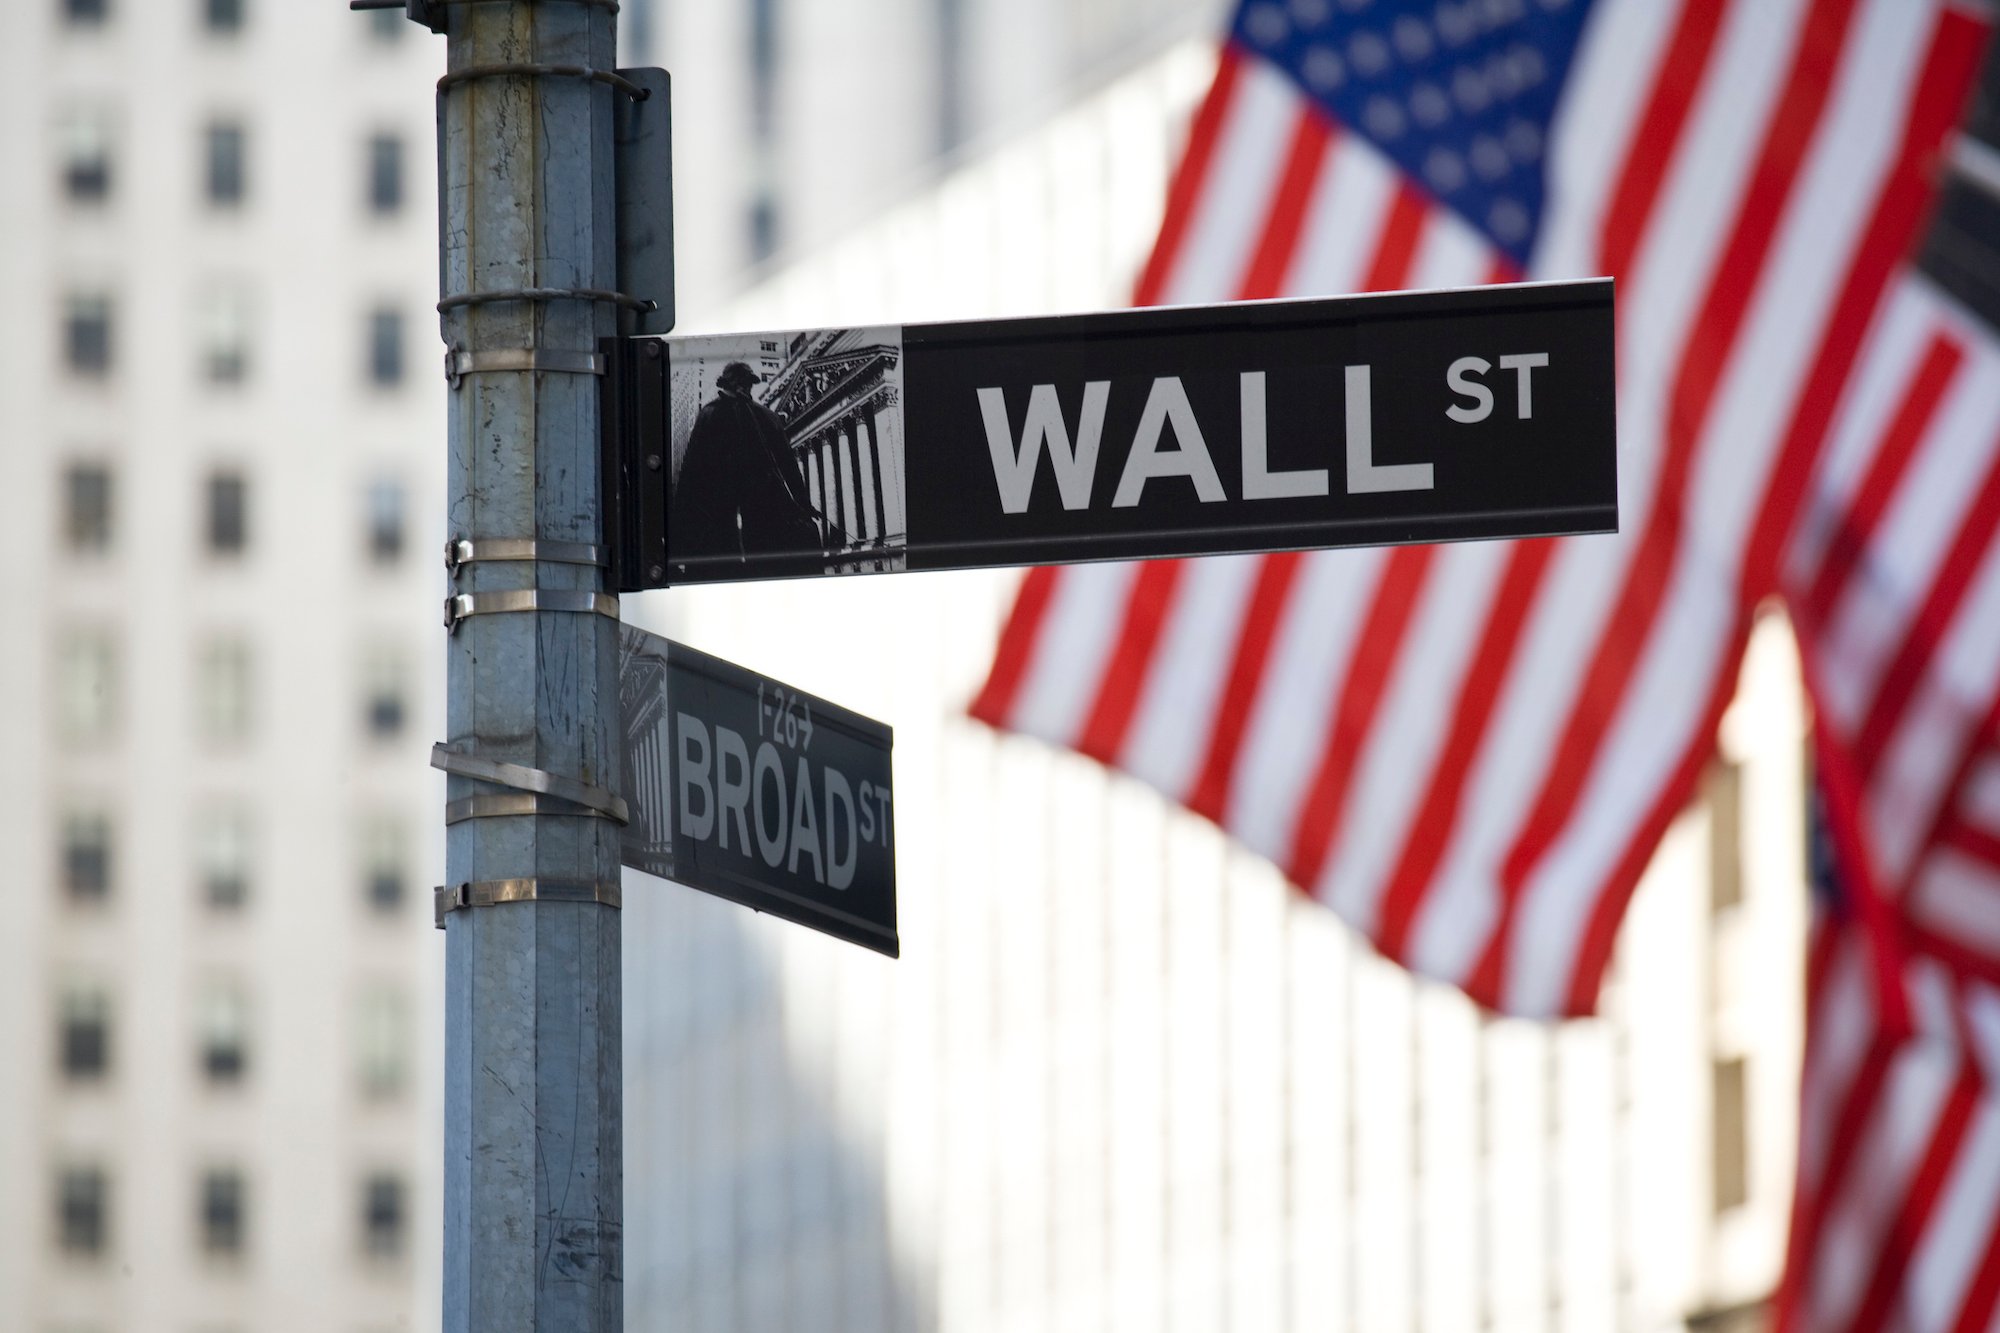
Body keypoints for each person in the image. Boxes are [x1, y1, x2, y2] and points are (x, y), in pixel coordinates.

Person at [670, 361, 829, 577]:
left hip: (731, 509)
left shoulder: (713, 413)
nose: (745, 387)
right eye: (744, 383)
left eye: (746, 383)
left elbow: (691, 472)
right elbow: (789, 465)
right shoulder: (763, 416)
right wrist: (802, 502)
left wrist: (681, 524)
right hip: (749, 506)